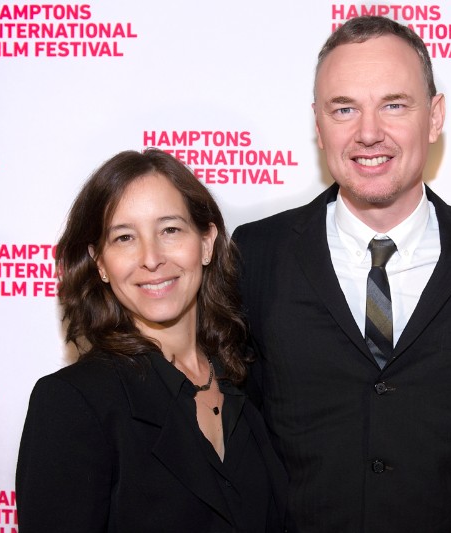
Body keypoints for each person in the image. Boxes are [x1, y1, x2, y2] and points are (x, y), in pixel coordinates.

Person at [232, 15, 451, 533]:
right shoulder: (258, 253)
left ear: (434, 117)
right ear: (318, 124)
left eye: (394, 105)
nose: (368, 132)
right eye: (344, 108)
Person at [16, 149, 287, 532]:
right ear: (100, 263)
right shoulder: (73, 403)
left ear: (206, 243)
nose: (151, 258)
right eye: (124, 237)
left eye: (170, 230)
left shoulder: (248, 378)